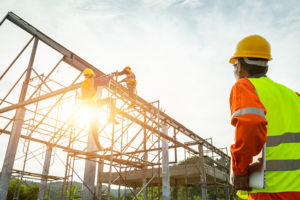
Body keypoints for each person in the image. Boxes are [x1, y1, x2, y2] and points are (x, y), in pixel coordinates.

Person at [229, 34, 300, 200]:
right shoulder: (294, 96)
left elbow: (251, 123)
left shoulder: (244, 86)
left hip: (271, 190)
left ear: (239, 66)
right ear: (266, 68)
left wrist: (240, 170)